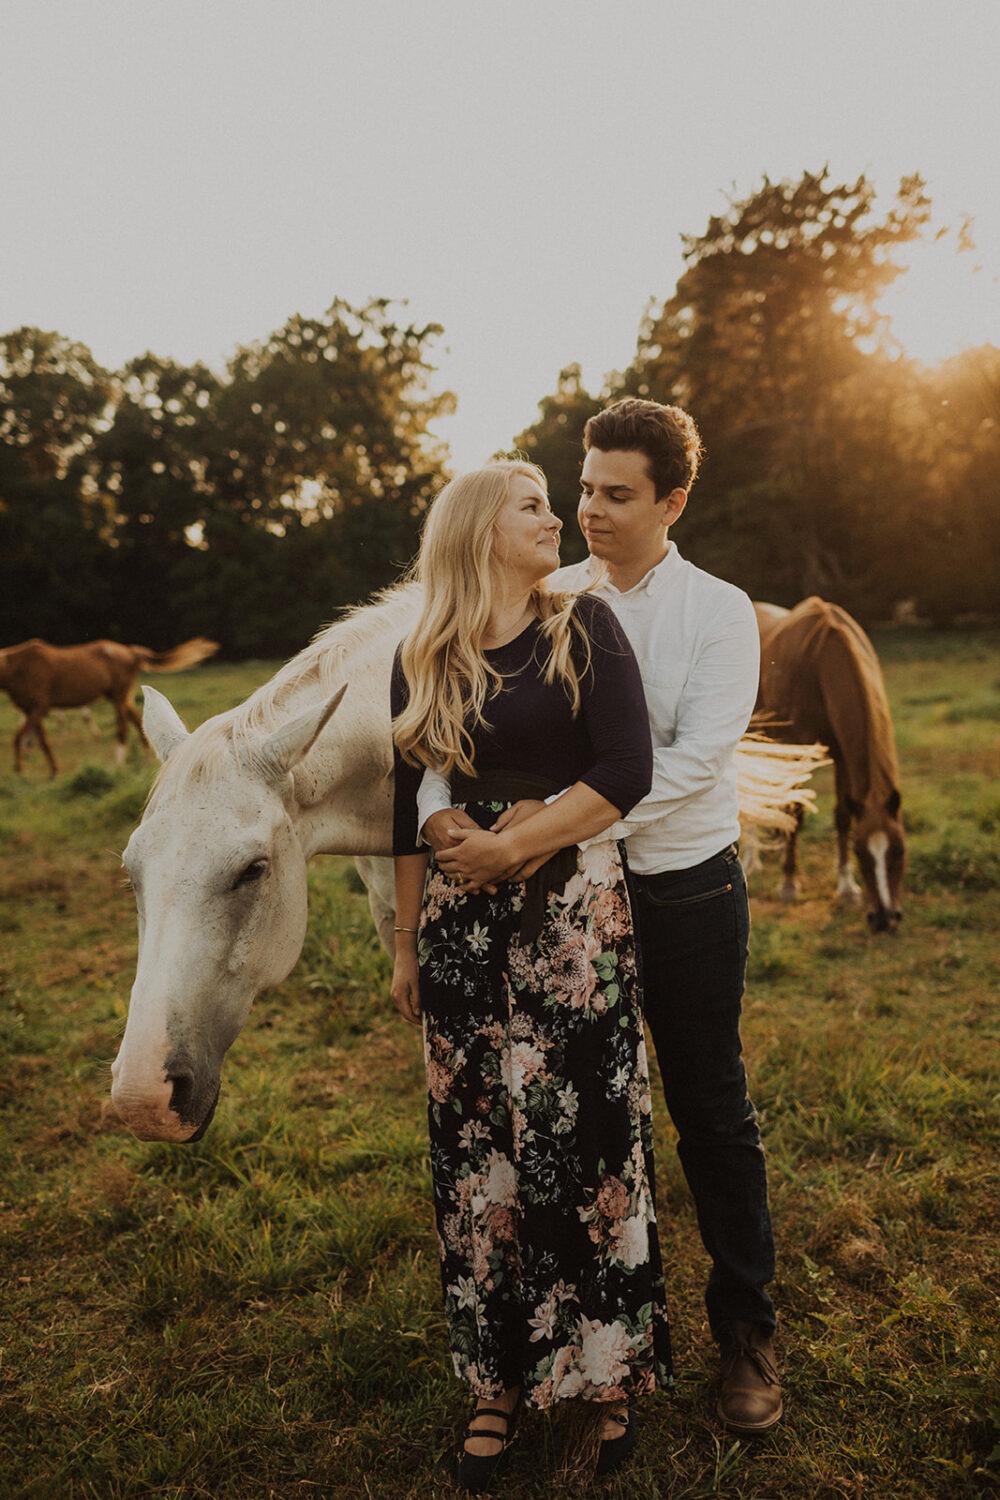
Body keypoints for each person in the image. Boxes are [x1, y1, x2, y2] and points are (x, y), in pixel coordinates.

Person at [422, 400, 784, 1437]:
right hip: (559, 911)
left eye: (617, 495)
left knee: (708, 1105)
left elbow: (688, 762)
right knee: (573, 1127)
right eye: (583, 488)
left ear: (671, 501)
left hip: (677, 889)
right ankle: (579, 1345)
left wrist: (547, 825)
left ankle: (744, 1333)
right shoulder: (551, 595)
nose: (589, 511)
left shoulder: (717, 610)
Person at [390, 459, 672, 1491]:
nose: (560, 518)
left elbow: (625, 769)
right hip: (460, 934)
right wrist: (404, 941)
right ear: (477, 531)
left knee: (581, 1137)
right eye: (533, 506)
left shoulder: (582, 628)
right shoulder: (423, 649)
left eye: (558, 503)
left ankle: (603, 1373)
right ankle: (496, 1377)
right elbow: (405, 795)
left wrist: (521, 845)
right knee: (478, 1155)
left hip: (569, 922)